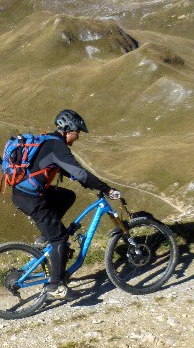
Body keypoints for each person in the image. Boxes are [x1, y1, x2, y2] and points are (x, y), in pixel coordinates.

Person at [11, 109, 120, 299]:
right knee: (60, 239)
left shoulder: (51, 142)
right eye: (77, 132)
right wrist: (106, 189)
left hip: (28, 193)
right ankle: (55, 286)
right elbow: (80, 173)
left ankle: (45, 237)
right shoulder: (57, 146)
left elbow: (71, 172)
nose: (78, 136)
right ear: (67, 128)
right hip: (31, 198)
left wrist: (90, 185)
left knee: (67, 196)